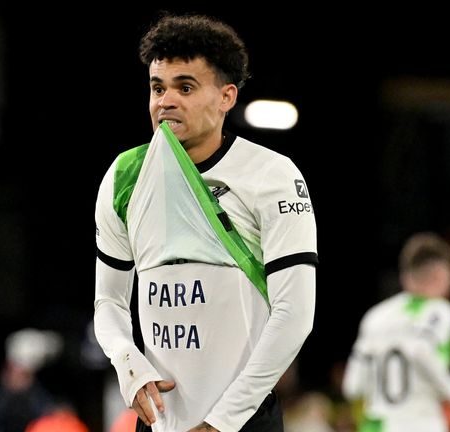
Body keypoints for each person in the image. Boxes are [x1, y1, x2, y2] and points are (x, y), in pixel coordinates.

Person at [93, 13, 317, 432]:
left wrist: (221, 422)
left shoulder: (271, 175)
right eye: (158, 88)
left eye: (186, 87)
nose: (166, 101)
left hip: (242, 422)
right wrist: (129, 365)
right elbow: (108, 302)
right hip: (158, 422)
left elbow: (295, 313)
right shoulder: (125, 176)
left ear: (226, 97)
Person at [342, 232, 450, 432]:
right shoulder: (439, 310)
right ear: (440, 274)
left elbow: (352, 387)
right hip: (420, 423)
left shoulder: (374, 316)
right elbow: (420, 350)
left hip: (375, 426)